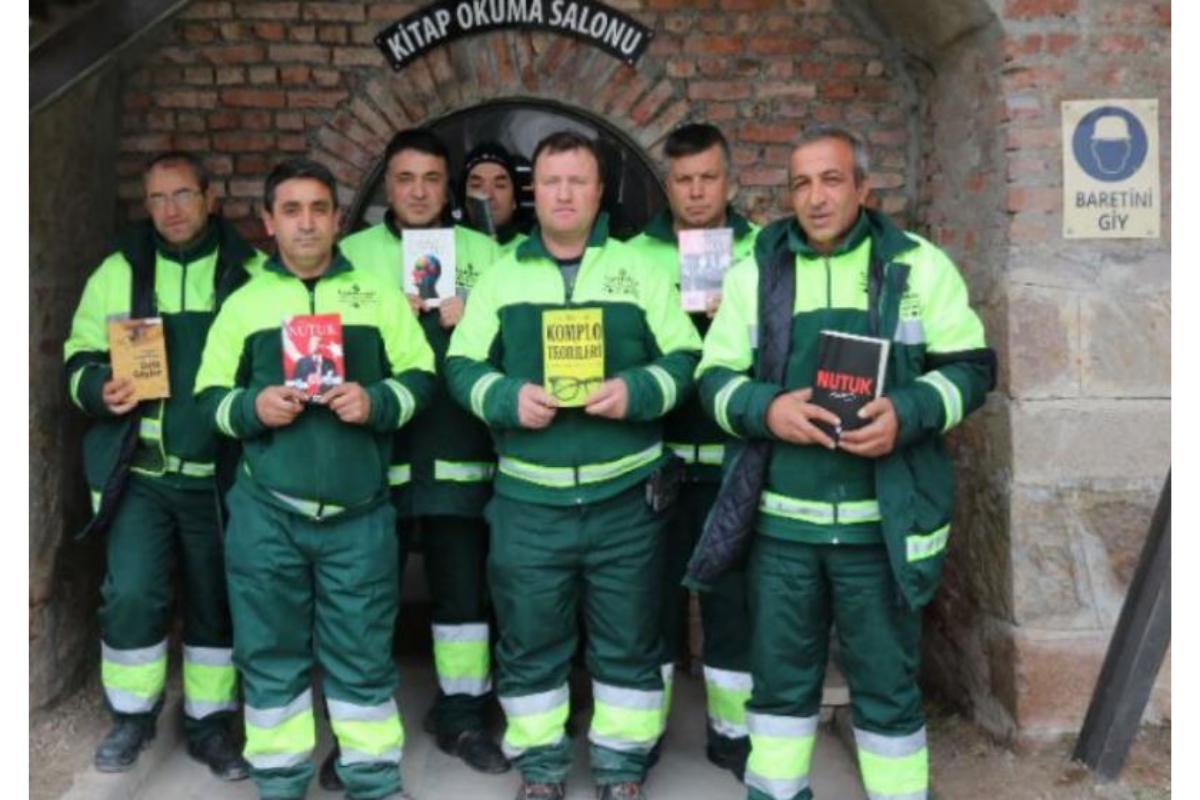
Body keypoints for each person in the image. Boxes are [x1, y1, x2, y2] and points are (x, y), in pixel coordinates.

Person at [693, 125, 996, 800]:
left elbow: (974, 369)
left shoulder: (919, 266)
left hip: (879, 532)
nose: (816, 197)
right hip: (783, 533)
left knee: (888, 692)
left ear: (863, 187)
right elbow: (712, 378)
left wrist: (908, 412)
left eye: (832, 180)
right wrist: (767, 409)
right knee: (777, 695)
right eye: (801, 183)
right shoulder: (755, 270)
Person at [445, 131, 703, 800]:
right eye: (552, 181)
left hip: (627, 500)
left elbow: (684, 361)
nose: (563, 193)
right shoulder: (503, 276)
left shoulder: (641, 271)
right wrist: (504, 398)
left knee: (630, 640)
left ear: (598, 193)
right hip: (530, 503)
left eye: (577, 181)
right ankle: (541, 769)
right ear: (536, 193)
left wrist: (637, 391)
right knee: (531, 642)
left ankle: (621, 769)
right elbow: (460, 366)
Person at [194, 157, 436, 800]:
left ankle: (375, 783)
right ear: (269, 222)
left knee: (362, 661)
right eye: (292, 211)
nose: (307, 223)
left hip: (358, 517)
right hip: (268, 516)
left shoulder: (379, 298)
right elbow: (207, 400)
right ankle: (280, 785)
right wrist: (253, 408)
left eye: (319, 209)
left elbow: (421, 378)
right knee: (271, 660)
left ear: (337, 219)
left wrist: (377, 401)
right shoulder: (245, 303)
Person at [63, 151, 263, 779]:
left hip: (220, 477)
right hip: (142, 475)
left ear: (210, 197)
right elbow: (76, 359)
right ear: (145, 205)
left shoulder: (248, 274)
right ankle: (131, 717)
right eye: (157, 198)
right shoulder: (118, 272)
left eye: (182, 195)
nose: (170, 210)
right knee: (132, 594)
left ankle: (210, 725)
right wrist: (99, 388)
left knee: (217, 603)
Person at [339, 128, 509, 776]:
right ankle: (359, 737)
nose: (417, 191)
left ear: (450, 187)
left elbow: (508, 344)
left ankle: (463, 718)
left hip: (456, 450)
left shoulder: (485, 254)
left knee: (463, 596)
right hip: (373, 453)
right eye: (405, 178)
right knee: (366, 596)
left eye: (431, 179)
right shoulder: (351, 253)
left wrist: (478, 315)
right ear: (387, 184)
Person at [626, 122, 759, 778]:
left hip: (737, 462)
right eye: (683, 179)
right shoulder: (630, 257)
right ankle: (643, 735)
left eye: (709, 177)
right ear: (667, 184)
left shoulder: (765, 251)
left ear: (729, 181)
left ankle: (732, 737)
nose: (697, 191)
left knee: (733, 606)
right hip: (659, 462)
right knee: (651, 607)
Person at [460, 141, 529, 255]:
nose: (488, 195)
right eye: (476, 185)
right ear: (465, 199)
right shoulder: (448, 247)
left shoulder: (532, 251)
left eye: (500, 186)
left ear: (514, 201)